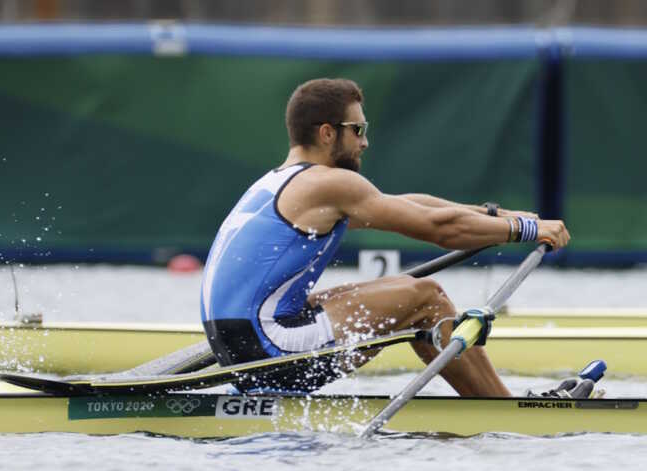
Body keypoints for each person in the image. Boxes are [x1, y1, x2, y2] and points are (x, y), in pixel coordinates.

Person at [200, 78, 570, 395]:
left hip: (237, 346)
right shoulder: (328, 183)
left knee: (395, 286)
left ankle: (491, 400)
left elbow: (408, 205)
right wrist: (526, 230)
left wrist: (496, 215)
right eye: (357, 130)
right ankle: (505, 410)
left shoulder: (277, 183)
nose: (365, 142)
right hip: (270, 347)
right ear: (327, 132)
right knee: (425, 297)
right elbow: (440, 229)